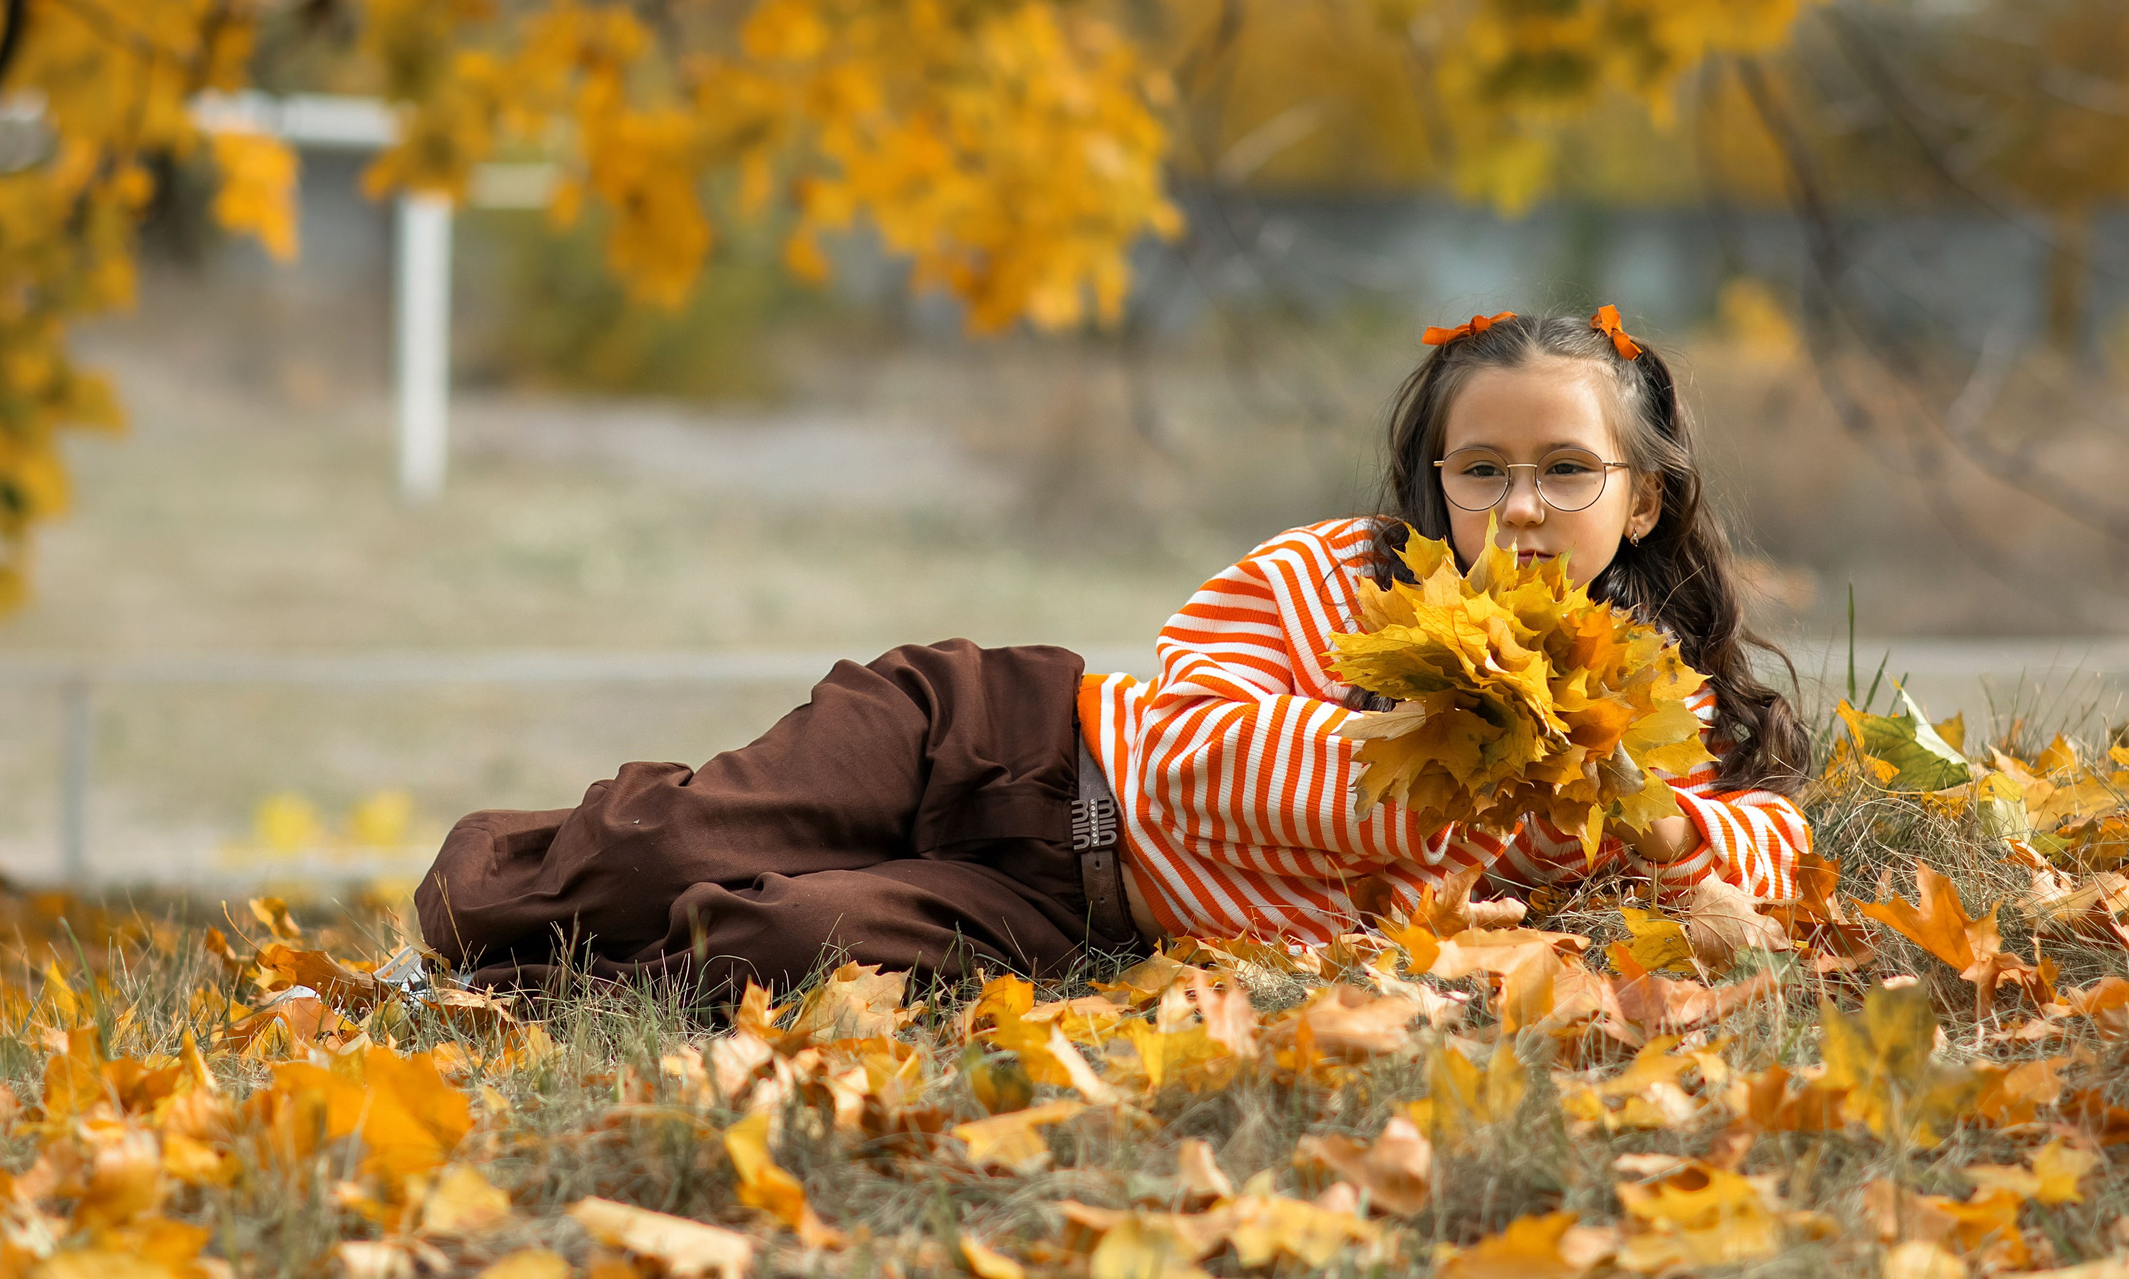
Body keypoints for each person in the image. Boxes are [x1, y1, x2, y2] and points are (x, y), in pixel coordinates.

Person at [412, 307, 1811, 992]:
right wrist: (1438, 755)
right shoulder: (1333, 580)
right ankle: (483, 895)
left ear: (1645, 496)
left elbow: (1766, 855)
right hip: (1000, 738)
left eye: (1567, 470)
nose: (1520, 506)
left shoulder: (1642, 713)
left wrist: (1625, 799)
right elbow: (1195, 754)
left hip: (1084, 916)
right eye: (1482, 465)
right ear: (1432, 479)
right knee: (663, 848)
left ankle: (510, 988)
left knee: (774, 938)